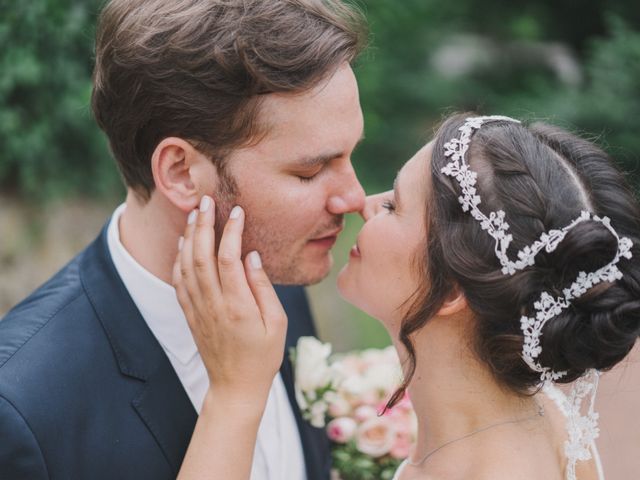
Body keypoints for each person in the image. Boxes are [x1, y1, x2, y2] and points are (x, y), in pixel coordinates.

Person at [0, 1, 367, 479]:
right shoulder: (23, 409)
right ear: (180, 172)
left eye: (349, 156)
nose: (354, 197)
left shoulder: (276, 279)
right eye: (311, 170)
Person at [172, 113, 640, 479]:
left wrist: (235, 394)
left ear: (452, 289)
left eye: (394, 205)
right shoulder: (547, 419)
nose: (363, 204)